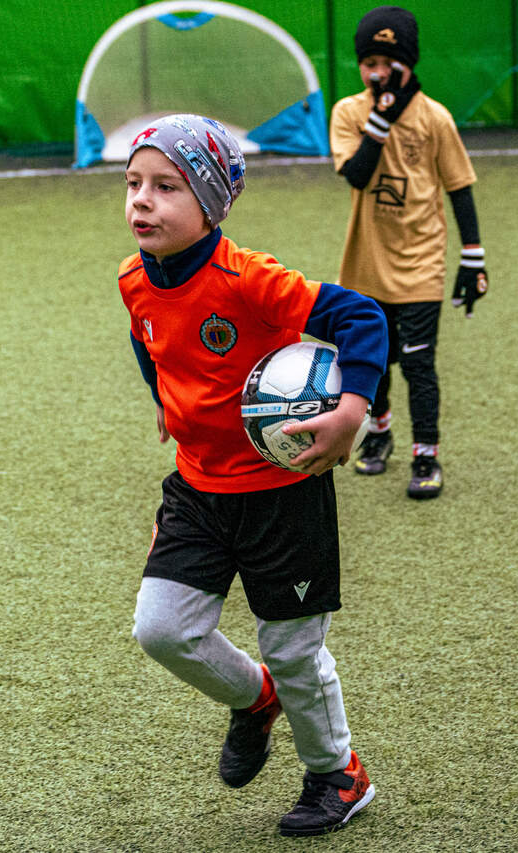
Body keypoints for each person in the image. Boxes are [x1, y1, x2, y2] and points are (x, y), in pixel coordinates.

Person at [118, 114, 388, 836]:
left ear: (211, 204)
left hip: (282, 496)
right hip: (197, 490)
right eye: (134, 183)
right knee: (161, 630)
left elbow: (361, 317)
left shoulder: (249, 279)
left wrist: (350, 412)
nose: (142, 199)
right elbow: (149, 339)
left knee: (293, 650)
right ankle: (254, 698)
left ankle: (338, 773)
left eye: (166, 186)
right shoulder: (132, 279)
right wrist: (164, 399)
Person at [330, 5, 485, 499]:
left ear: (410, 63)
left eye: (389, 62)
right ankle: (379, 432)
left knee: (418, 363)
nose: (378, 72)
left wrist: (474, 256)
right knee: (373, 360)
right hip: (366, 263)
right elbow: (357, 175)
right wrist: (382, 118)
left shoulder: (434, 117)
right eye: (369, 62)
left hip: (421, 261)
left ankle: (426, 454)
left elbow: (458, 185)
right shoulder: (348, 113)